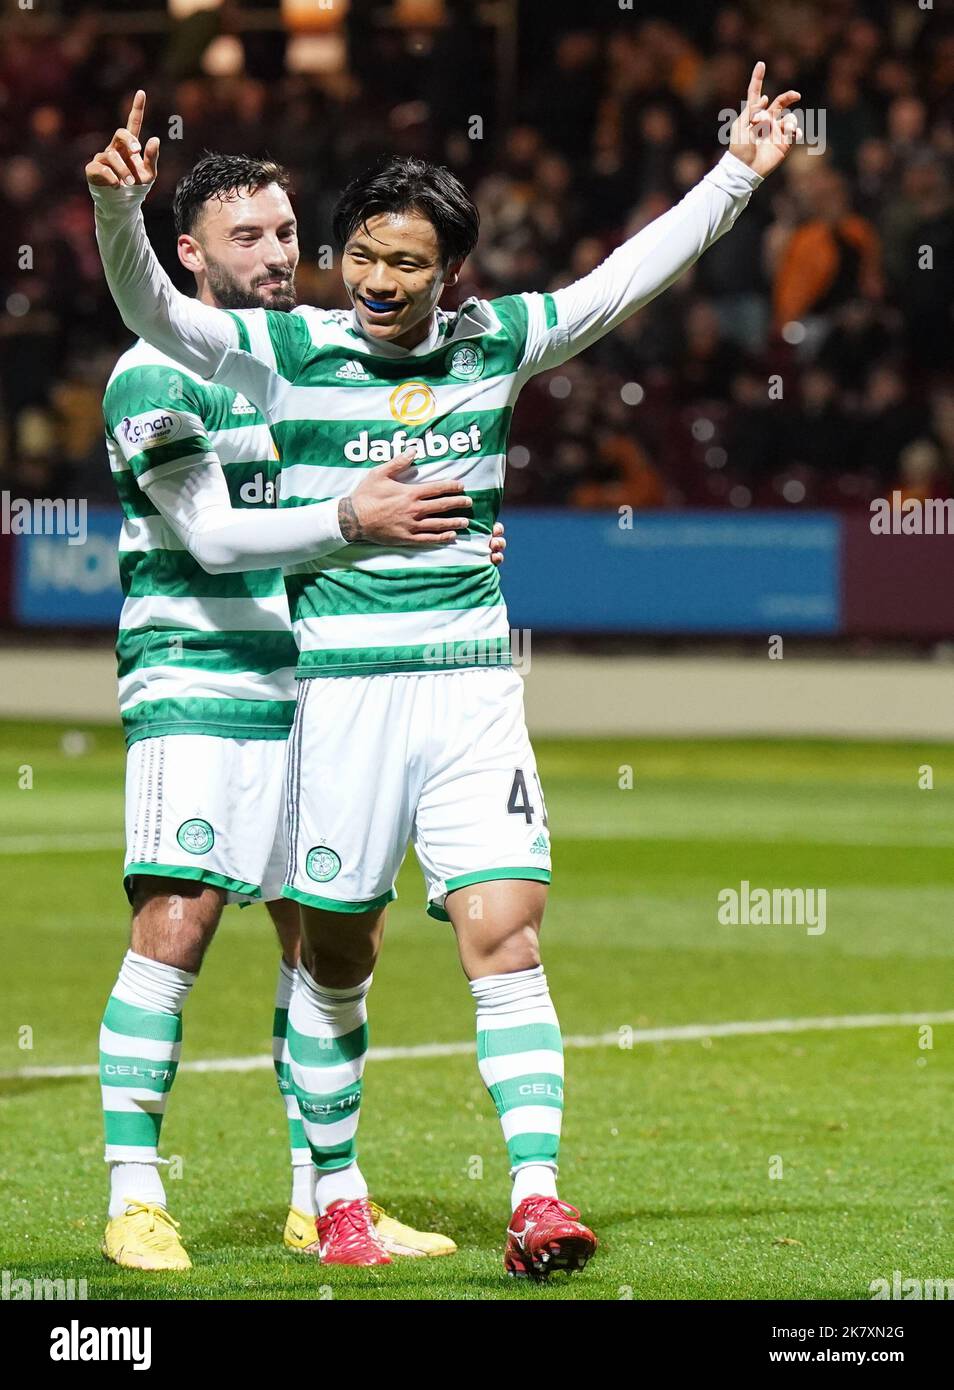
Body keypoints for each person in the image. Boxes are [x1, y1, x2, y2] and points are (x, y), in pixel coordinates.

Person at [87, 63, 800, 1277]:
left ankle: (535, 1196)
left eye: (402, 261)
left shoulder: (498, 341)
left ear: (450, 273)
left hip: (472, 686)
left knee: (507, 931)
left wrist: (737, 172)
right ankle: (324, 1196)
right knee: (327, 950)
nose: (370, 278)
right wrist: (114, 213)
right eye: (358, 253)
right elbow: (159, 316)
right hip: (334, 694)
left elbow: (622, 281)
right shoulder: (282, 351)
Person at [99, 148, 506, 1271]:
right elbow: (222, 537)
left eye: (287, 233)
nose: (279, 255)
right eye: (247, 237)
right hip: (198, 675)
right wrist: (355, 521)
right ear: (189, 253)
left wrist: (448, 539)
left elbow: (387, 487)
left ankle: (322, 1196)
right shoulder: (155, 372)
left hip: (312, 681)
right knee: (176, 926)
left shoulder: (304, 366)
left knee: (328, 944)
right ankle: (135, 1194)